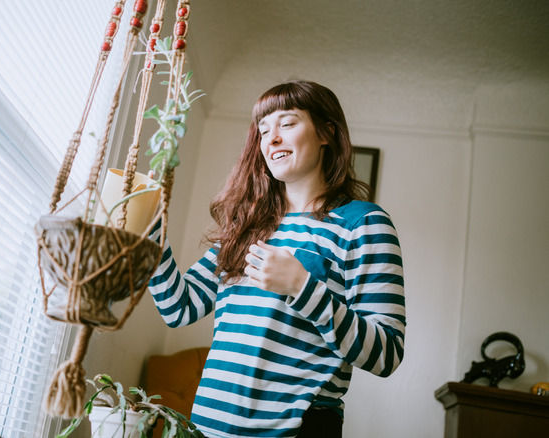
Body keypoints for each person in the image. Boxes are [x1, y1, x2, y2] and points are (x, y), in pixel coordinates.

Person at [147, 80, 406, 438]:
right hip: (206, 429)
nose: (271, 139)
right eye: (263, 130)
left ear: (326, 133)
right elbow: (179, 308)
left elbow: (386, 353)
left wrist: (301, 286)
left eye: (286, 123)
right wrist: (149, 234)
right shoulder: (247, 225)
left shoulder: (363, 223)